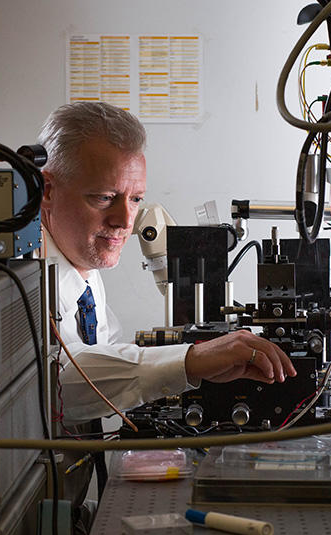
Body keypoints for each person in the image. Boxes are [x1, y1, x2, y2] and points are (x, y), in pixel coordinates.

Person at [38, 101, 297, 425]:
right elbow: (56, 385)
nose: (124, 221)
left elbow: (106, 352)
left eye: (134, 199)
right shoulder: (22, 279)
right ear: (48, 189)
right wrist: (188, 361)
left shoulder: (79, 267)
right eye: (104, 198)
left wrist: (199, 363)